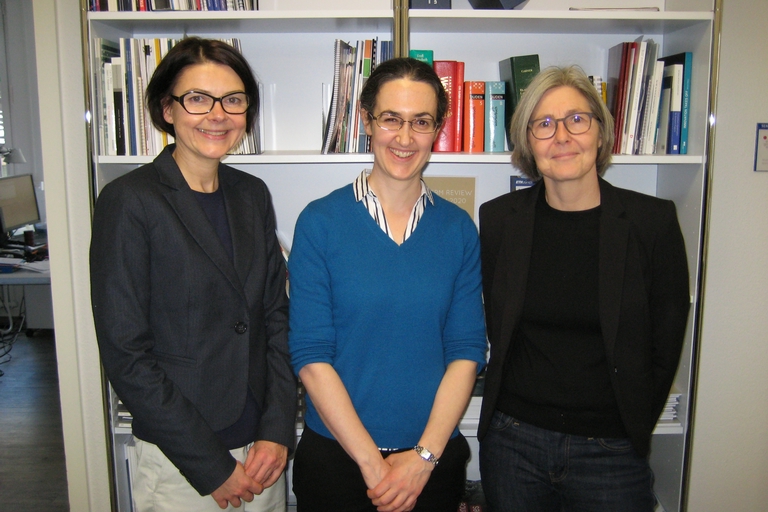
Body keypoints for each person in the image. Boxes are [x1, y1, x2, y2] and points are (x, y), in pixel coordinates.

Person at [90, 37, 296, 512]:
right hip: (182, 457)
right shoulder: (129, 201)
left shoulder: (252, 194)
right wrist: (211, 466)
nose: (217, 114)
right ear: (167, 109)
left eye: (234, 99)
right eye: (197, 98)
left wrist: (277, 430)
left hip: (261, 451)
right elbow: (126, 354)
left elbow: (277, 318)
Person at [477, 65, 691, 511]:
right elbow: (496, 326)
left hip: (611, 449)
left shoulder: (651, 223)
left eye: (577, 119)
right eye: (544, 124)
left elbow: (665, 343)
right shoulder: (498, 221)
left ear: (600, 132)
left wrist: (630, 425)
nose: (562, 137)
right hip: (515, 442)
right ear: (527, 142)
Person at [287, 57, 487, 512]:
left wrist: (422, 458)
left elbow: (467, 349)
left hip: (431, 464)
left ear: (437, 129)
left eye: (421, 122)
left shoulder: (457, 230)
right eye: (391, 119)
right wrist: (374, 467)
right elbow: (311, 356)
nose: (404, 137)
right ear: (366, 121)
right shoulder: (320, 223)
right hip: (337, 463)